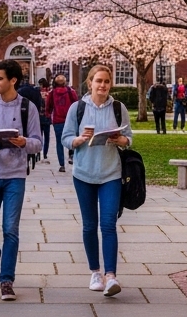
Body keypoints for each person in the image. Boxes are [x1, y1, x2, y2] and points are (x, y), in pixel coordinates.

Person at [0, 59, 42, 301]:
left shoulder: (27, 108)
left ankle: (7, 280)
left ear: (13, 80)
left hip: (15, 176)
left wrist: (24, 142)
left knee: (11, 228)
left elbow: (38, 143)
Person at [63, 63, 133, 298]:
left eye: (106, 81)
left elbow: (129, 138)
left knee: (108, 224)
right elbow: (66, 138)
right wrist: (79, 140)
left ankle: (111, 275)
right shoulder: (77, 108)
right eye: (99, 81)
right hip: (83, 174)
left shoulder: (118, 108)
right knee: (89, 225)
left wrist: (121, 140)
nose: (102, 85)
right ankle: (95, 272)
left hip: (110, 173)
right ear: (90, 83)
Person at [46, 73, 79, 173]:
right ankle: (71, 155)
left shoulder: (52, 93)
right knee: (72, 139)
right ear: (65, 82)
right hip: (70, 120)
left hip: (57, 121)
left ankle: (62, 164)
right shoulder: (70, 92)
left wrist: (48, 115)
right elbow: (77, 104)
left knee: (59, 142)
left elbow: (48, 106)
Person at [17, 77, 45, 173]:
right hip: (35, 116)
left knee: (24, 137)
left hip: (22, 117)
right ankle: (31, 157)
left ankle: (26, 160)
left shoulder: (20, 91)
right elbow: (39, 103)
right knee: (32, 137)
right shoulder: (35, 91)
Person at [37, 78, 53, 162]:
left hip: (39, 117)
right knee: (47, 137)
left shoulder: (38, 92)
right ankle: (45, 154)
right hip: (47, 117)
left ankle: (38, 153)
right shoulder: (50, 92)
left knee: (39, 136)